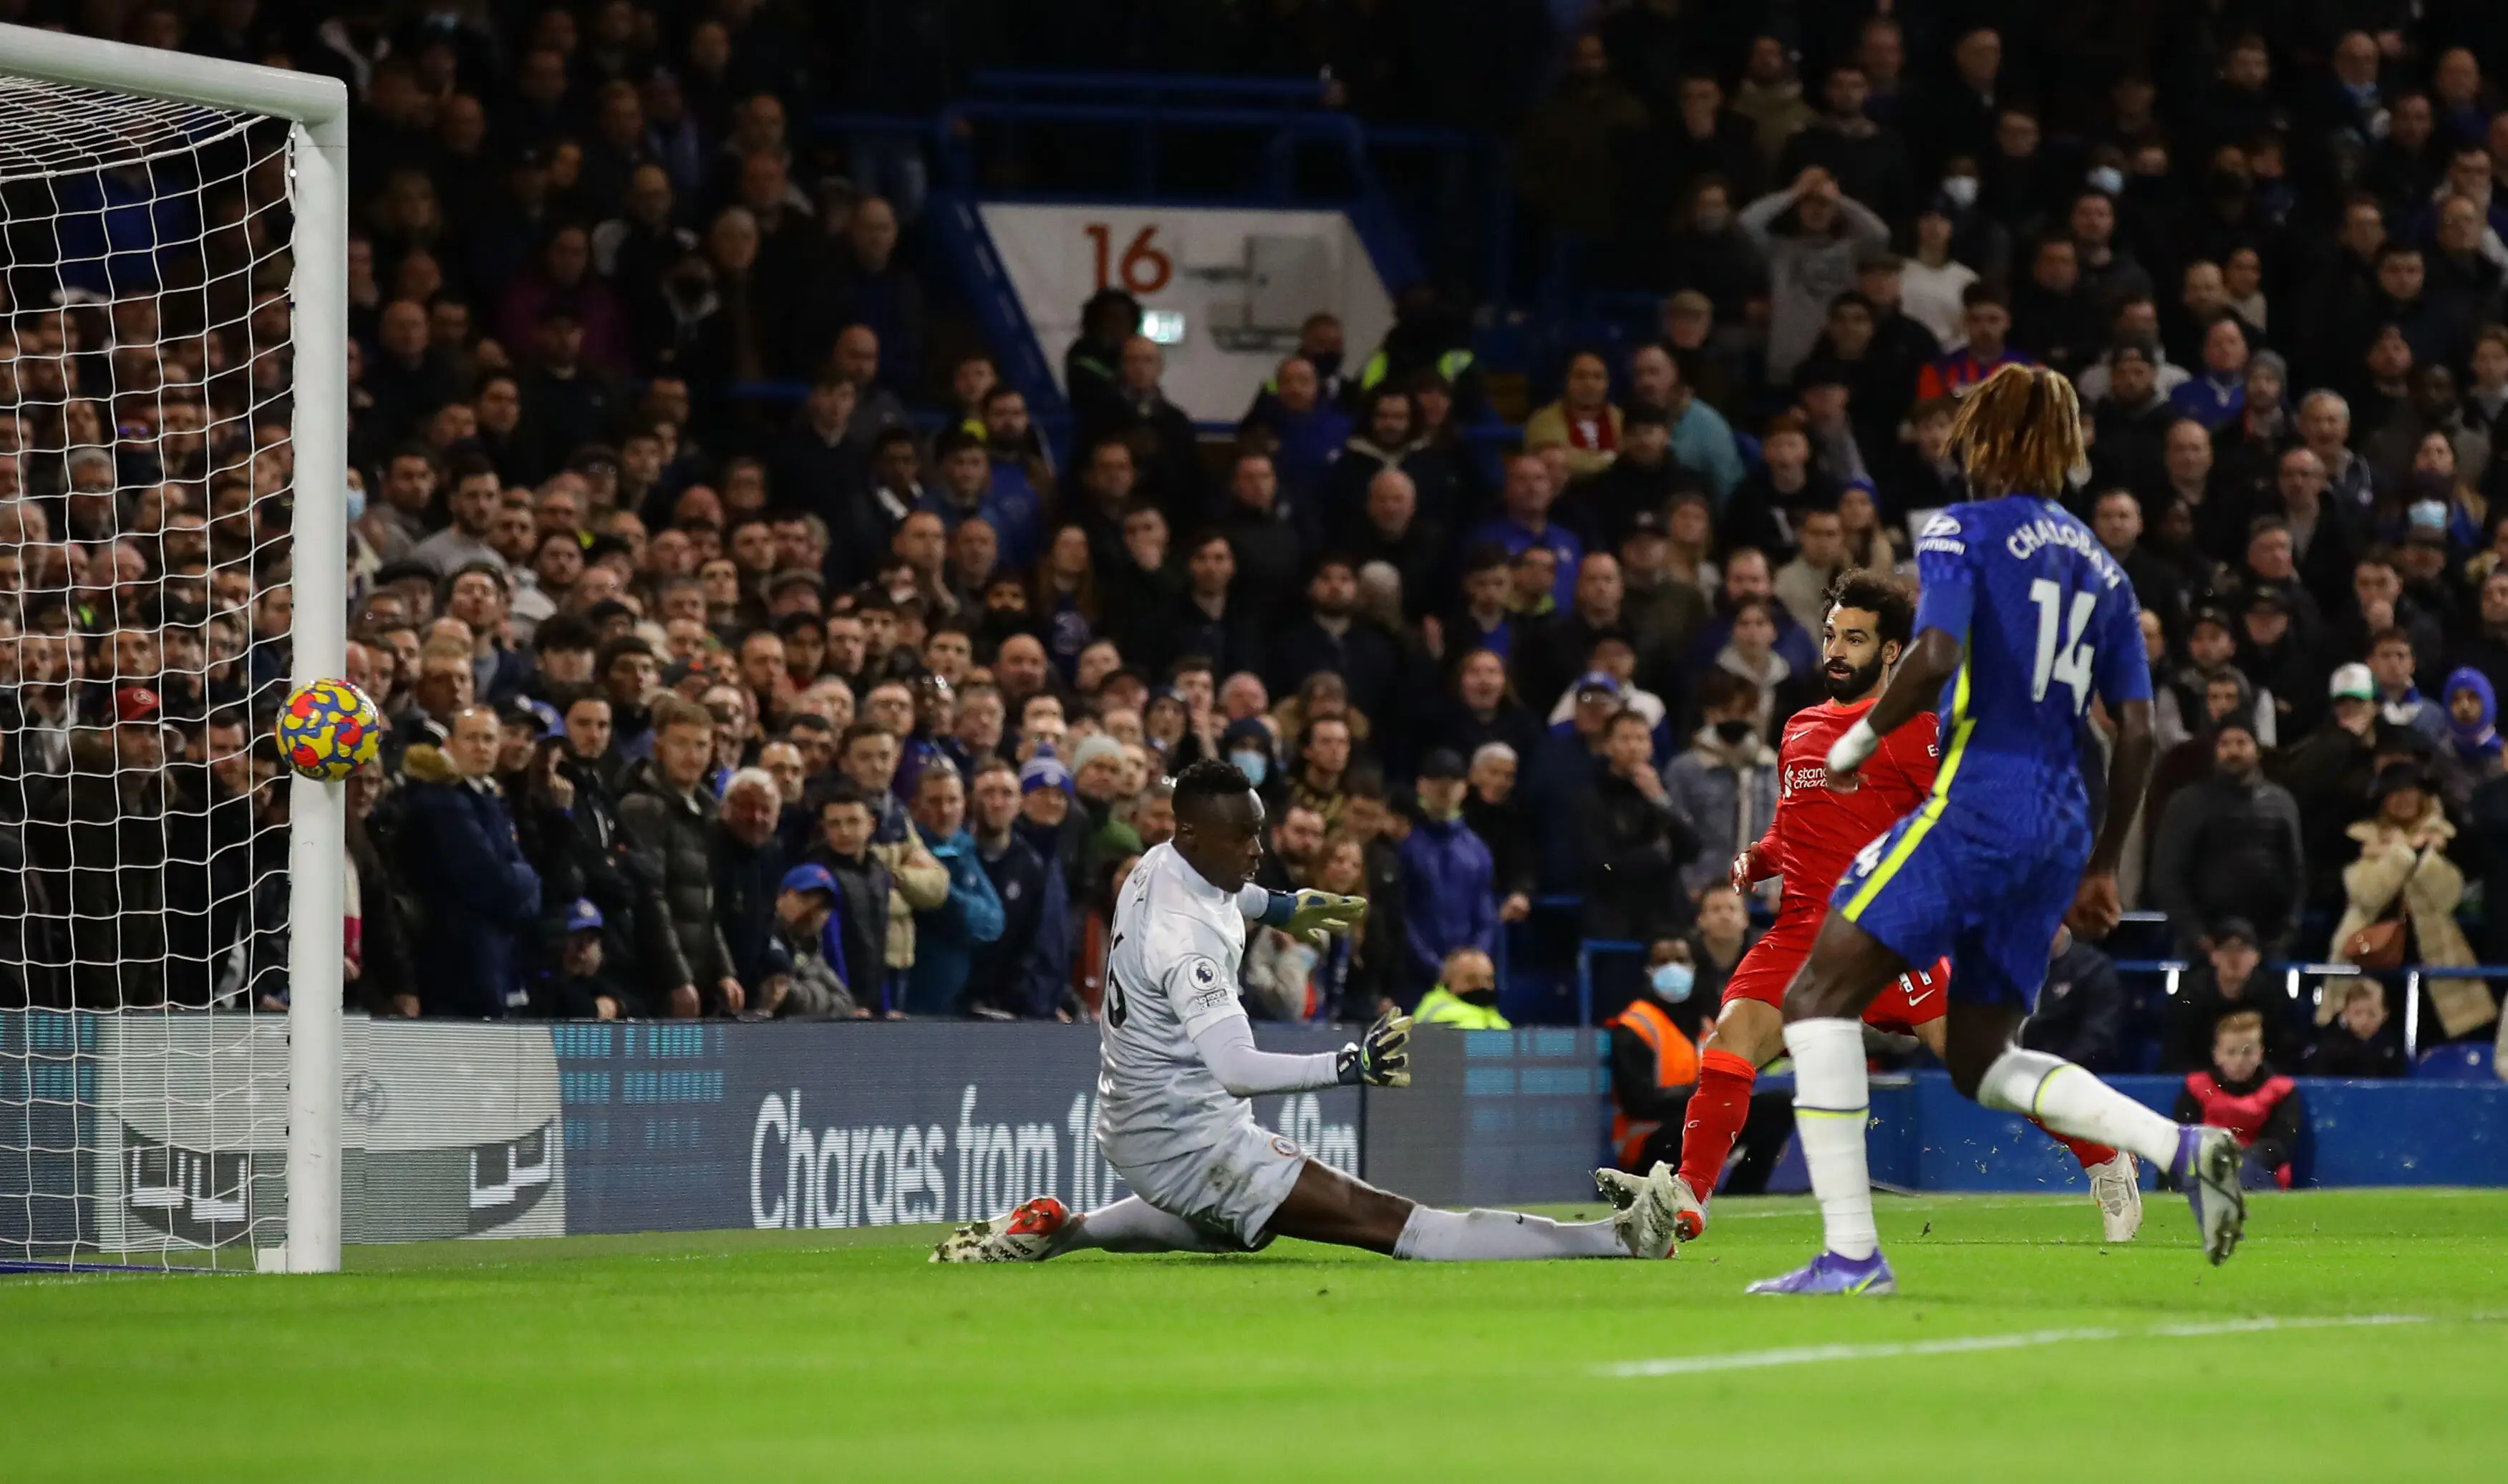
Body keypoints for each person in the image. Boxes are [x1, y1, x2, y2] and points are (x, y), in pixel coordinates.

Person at [1748, 366, 2250, 1296]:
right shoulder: (2104, 568)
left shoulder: (1959, 530)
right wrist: (2100, 867)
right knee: (1979, 1055)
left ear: (1982, 439)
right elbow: (2136, 730)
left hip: (1980, 800)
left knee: (1815, 994)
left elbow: (1933, 653)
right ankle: (2180, 1146)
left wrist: (1857, 739)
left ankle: (1851, 1255)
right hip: (2061, 826)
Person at [934, 759, 1687, 1264]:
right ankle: (1616, 1239)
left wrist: (1283, 907)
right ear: (1192, 832)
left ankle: (1064, 1229)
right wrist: (1349, 1063)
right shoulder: (1184, 940)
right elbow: (1232, 1068)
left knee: (1219, 1229)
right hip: (1193, 1139)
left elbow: (1231, 891)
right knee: (1407, 1227)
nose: (1257, 850)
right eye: (1242, 837)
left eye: (1259, 830)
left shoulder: (1160, 863)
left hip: (1136, 1129)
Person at [1671, 571, 2135, 1246]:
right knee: (1731, 1041)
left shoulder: (1918, 733)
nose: (1835, 649)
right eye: (1830, 634)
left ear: (1891, 652)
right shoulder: (1799, 728)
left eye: (1853, 638)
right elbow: (1790, 826)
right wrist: (1760, 856)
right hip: (1802, 933)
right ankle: (1687, 1197)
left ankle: (2104, 1156)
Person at [1397, 750, 1496, 1002]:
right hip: (1415, 979)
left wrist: (1472, 966)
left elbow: (1485, 915)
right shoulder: (1407, 847)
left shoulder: (1477, 851)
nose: (1445, 790)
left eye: (1452, 783)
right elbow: (1402, 917)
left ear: (1464, 789)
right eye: (1437, 783)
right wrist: (1436, 967)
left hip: (1467, 981)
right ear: (1422, 786)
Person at [2173, 1011, 2305, 1192]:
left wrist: (2240, 1159)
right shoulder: (2196, 1087)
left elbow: (2280, 1145)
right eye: (2231, 1052)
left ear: (2260, 1053)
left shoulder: (2281, 1091)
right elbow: (2183, 1140)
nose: (2239, 1061)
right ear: (2217, 1054)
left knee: (2246, 1171)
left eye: (2247, 1052)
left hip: (2258, 1174)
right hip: (2204, 1170)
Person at [1604, 941, 1702, 1172]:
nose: (1673, 968)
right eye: (1663, 961)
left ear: (1694, 968)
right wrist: (1697, 1097)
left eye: (1680, 960)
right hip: (1648, 1139)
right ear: (1649, 971)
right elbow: (1638, 1102)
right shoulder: (1634, 1027)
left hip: (1696, 1123)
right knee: (1699, 1127)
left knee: (1772, 1106)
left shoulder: (1704, 1025)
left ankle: (1743, 1192)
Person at [1410, 946, 1509, 1029]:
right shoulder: (1439, 1012)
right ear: (1448, 980)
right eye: (1472, 980)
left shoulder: (1494, 1016)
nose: (1483, 986)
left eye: (1489, 979)